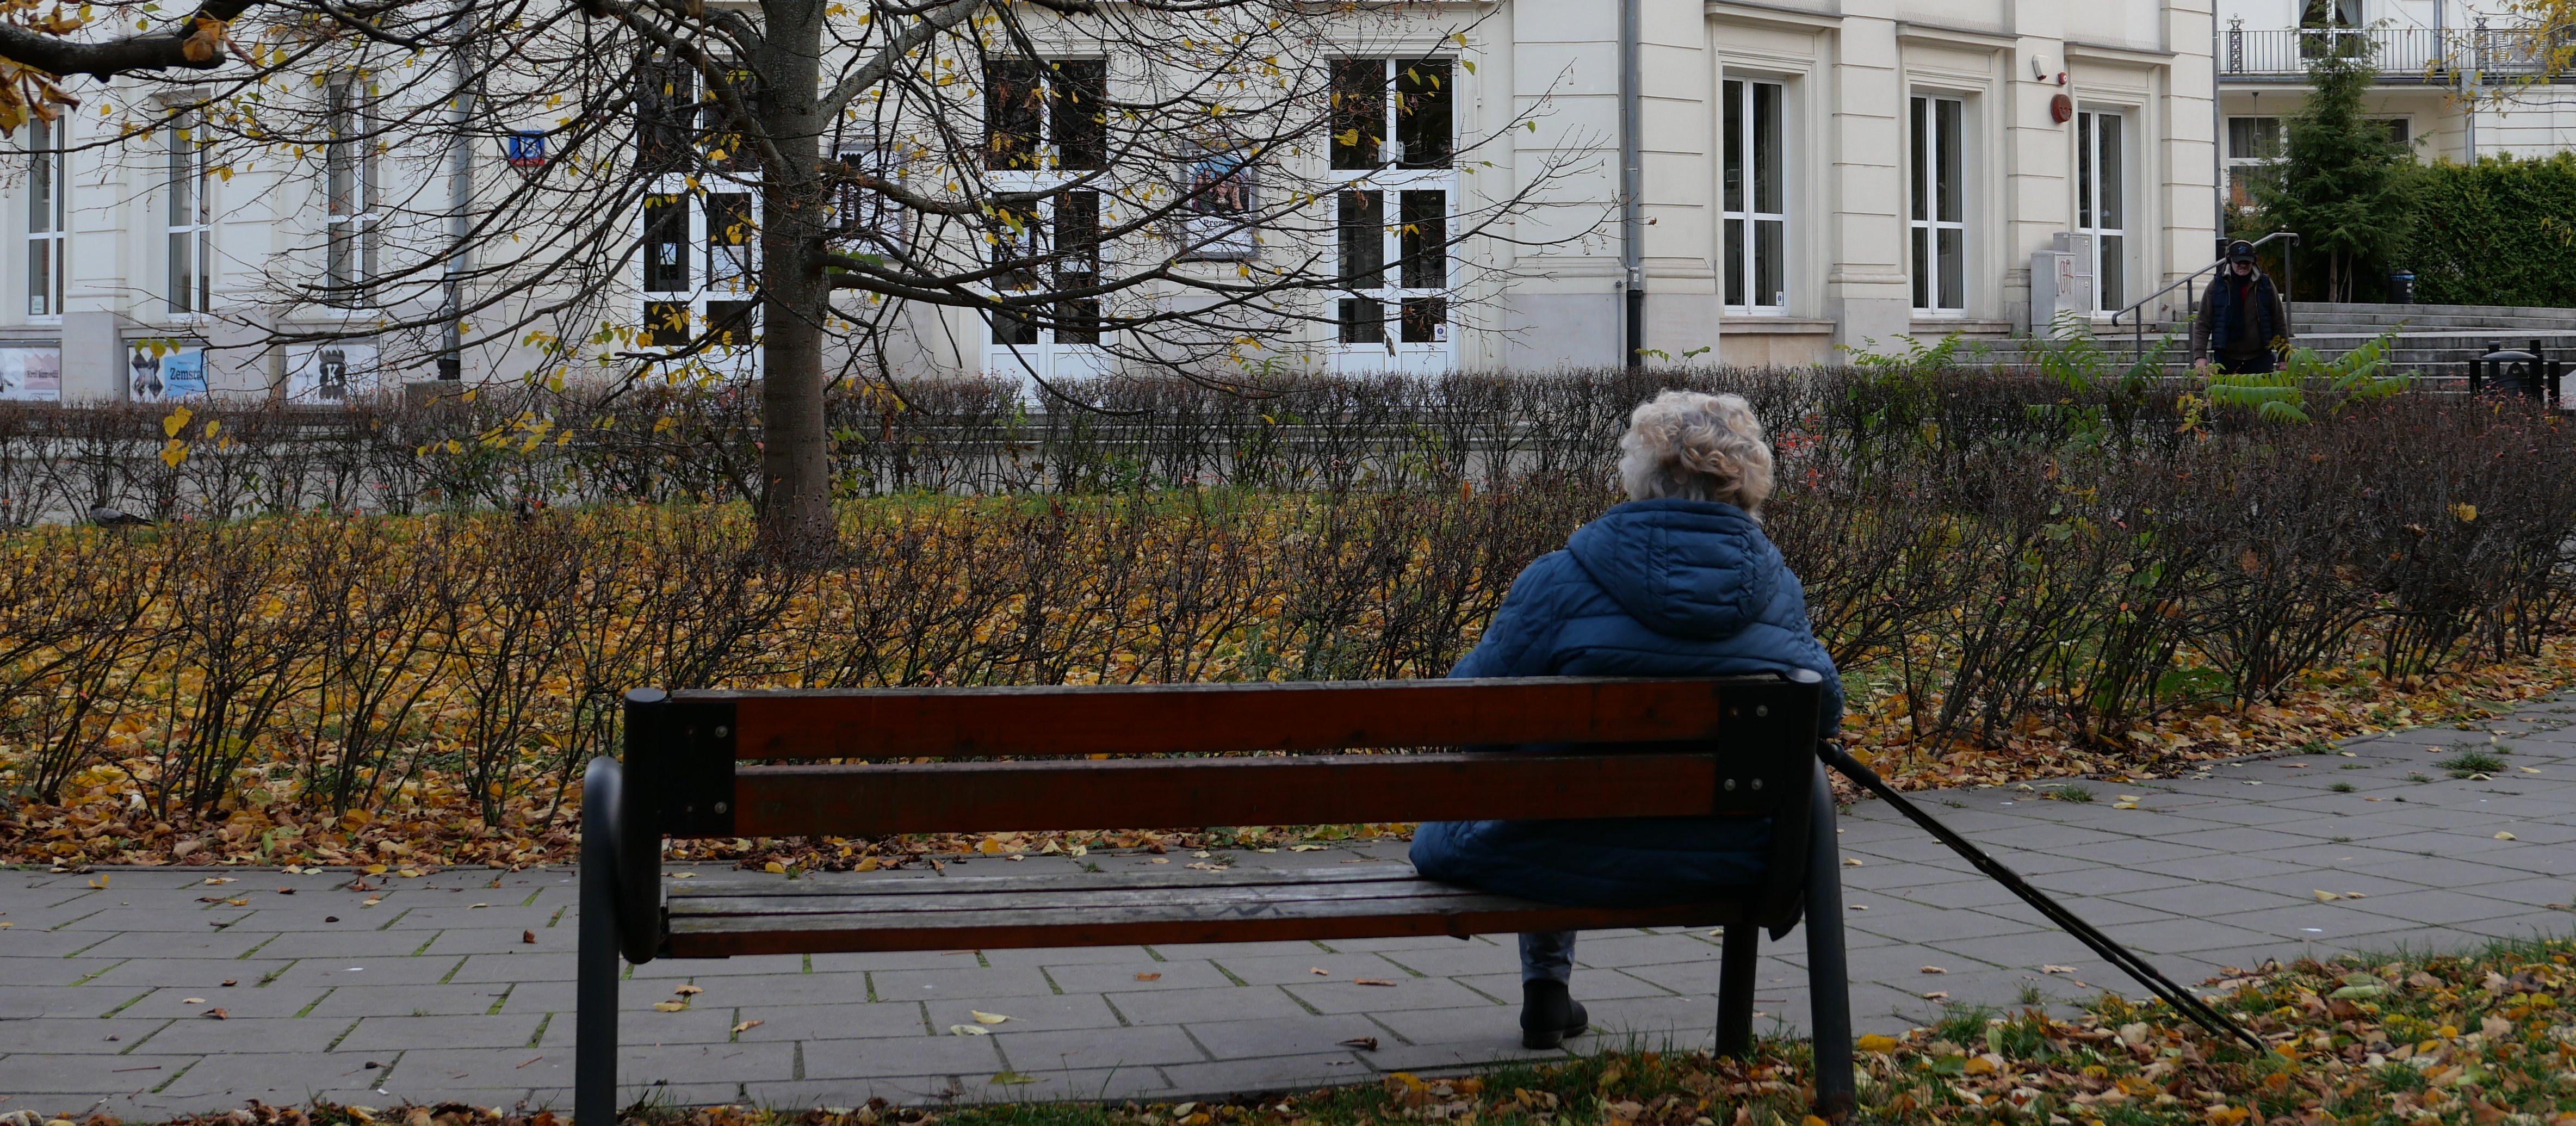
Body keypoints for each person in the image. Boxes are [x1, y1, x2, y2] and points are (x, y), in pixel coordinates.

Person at [1408, 390, 1843, 1050]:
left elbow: (1467, 709)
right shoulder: (1776, 589)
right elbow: (1825, 713)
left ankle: (1546, 989)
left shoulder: (1559, 579)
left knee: (1544, 786)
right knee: (1554, 784)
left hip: (1552, 850)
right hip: (1733, 856)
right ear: (1746, 484)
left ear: (1639, 476)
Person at [2191, 240, 2289, 374]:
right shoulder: (2216, 285)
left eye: (2247, 262)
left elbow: (2278, 321)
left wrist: (2284, 356)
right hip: (2226, 357)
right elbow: (2203, 323)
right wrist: (2200, 356)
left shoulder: (2265, 285)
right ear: (2229, 260)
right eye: (2238, 262)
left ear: (2253, 261)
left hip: (2260, 356)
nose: (2243, 265)